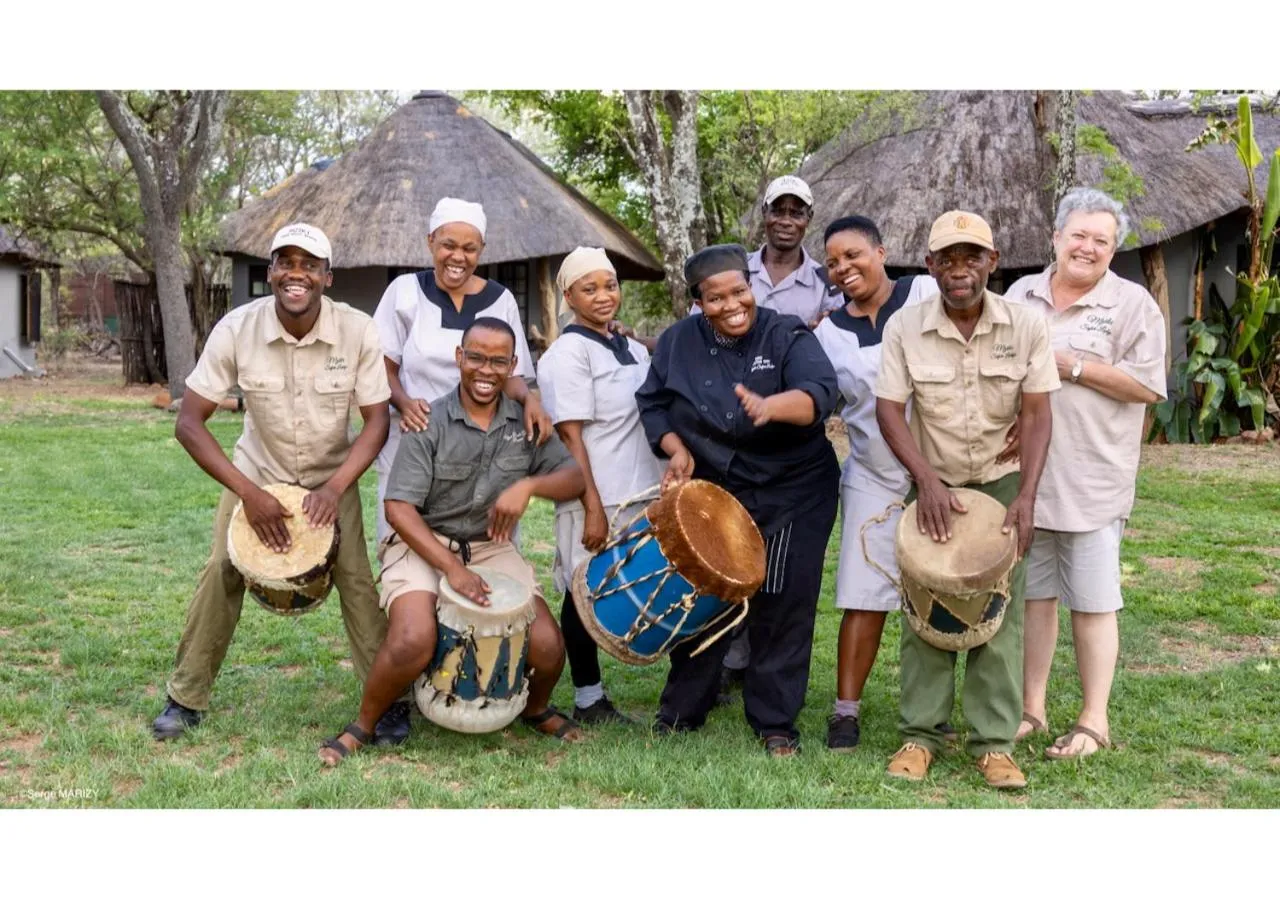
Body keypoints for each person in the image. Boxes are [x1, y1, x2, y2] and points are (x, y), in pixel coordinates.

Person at [152, 223, 395, 742]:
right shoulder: (237, 328)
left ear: (327, 277)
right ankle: (185, 697)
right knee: (222, 569)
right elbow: (189, 423)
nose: (296, 274)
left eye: (310, 265)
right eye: (286, 262)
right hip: (256, 475)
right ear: (271, 274)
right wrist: (249, 493)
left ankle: (387, 702)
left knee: (355, 580)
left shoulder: (358, 331)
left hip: (332, 479)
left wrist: (334, 489)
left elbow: (377, 421)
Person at [318, 317, 587, 765]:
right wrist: (451, 568)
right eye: (476, 357)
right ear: (459, 359)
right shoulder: (430, 419)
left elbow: (574, 477)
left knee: (546, 644)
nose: (486, 370)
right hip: (423, 540)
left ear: (513, 365)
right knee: (412, 638)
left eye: (498, 361)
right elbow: (398, 508)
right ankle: (363, 723)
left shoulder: (526, 422)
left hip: (489, 545)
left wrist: (528, 488)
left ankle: (535, 709)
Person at [875, 210, 1059, 790]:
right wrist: (926, 482)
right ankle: (920, 735)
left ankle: (995, 742)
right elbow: (888, 410)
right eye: (947, 259)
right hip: (935, 484)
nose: (960, 270)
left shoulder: (1025, 325)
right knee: (926, 605)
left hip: (1003, 484)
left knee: (997, 610)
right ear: (930, 267)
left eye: (971, 257)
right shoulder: (905, 327)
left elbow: (1037, 412)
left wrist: (1027, 495)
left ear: (992, 262)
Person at [635, 243, 840, 757]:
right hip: (719, 488)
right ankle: (682, 711)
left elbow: (820, 392)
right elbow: (654, 402)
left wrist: (773, 405)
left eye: (739, 291)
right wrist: (676, 448)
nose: (732, 305)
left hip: (793, 488)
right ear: (698, 302)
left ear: (752, 285)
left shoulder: (784, 332)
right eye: (716, 298)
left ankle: (774, 720)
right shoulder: (678, 342)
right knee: (706, 594)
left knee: (781, 598)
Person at [370, 197, 552, 743]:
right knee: (412, 573)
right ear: (430, 243)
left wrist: (533, 396)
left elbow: (511, 369)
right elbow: (381, 364)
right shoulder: (403, 292)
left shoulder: (498, 299)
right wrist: (403, 402)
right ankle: (403, 684)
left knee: (485, 570)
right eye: (448, 244)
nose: (458, 255)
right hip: (417, 441)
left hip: (483, 454)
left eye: (469, 247)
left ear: (482, 251)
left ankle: (474, 669)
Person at [1004, 188, 1167, 759]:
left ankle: (1094, 721)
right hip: (1026, 478)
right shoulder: (1020, 293)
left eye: (1101, 240)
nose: (1088, 248)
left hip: (1093, 475)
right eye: (1078, 235)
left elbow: (1148, 387)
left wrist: (1071, 364)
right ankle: (1032, 709)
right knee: (1035, 596)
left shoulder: (1132, 304)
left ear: (1113, 248)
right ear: (1055, 238)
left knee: (1094, 601)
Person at [713, 175, 843, 694]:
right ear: (763, 213)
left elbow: (827, 351)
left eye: (797, 212)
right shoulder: (734, 270)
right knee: (731, 549)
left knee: (780, 561)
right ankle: (730, 659)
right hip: (731, 429)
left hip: (791, 436)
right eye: (778, 210)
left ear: (808, 219)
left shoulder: (824, 283)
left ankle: (765, 665)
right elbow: (708, 324)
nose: (787, 220)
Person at [813, 215, 938, 751]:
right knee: (863, 591)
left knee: (943, 588)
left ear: (882, 251)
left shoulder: (926, 294)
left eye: (853, 255)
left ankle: (932, 708)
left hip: (945, 469)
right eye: (833, 263)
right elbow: (823, 400)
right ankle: (846, 711)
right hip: (873, 472)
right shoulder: (828, 334)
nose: (843, 268)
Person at [536, 248, 664, 725]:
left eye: (609, 285)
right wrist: (591, 504)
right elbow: (570, 437)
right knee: (582, 590)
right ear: (568, 296)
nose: (603, 296)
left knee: (628, 584)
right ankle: (588, 698)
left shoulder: (629, 347)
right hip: (598, 493)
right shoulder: (566, 355)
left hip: (639, 488)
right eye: (589, 289)